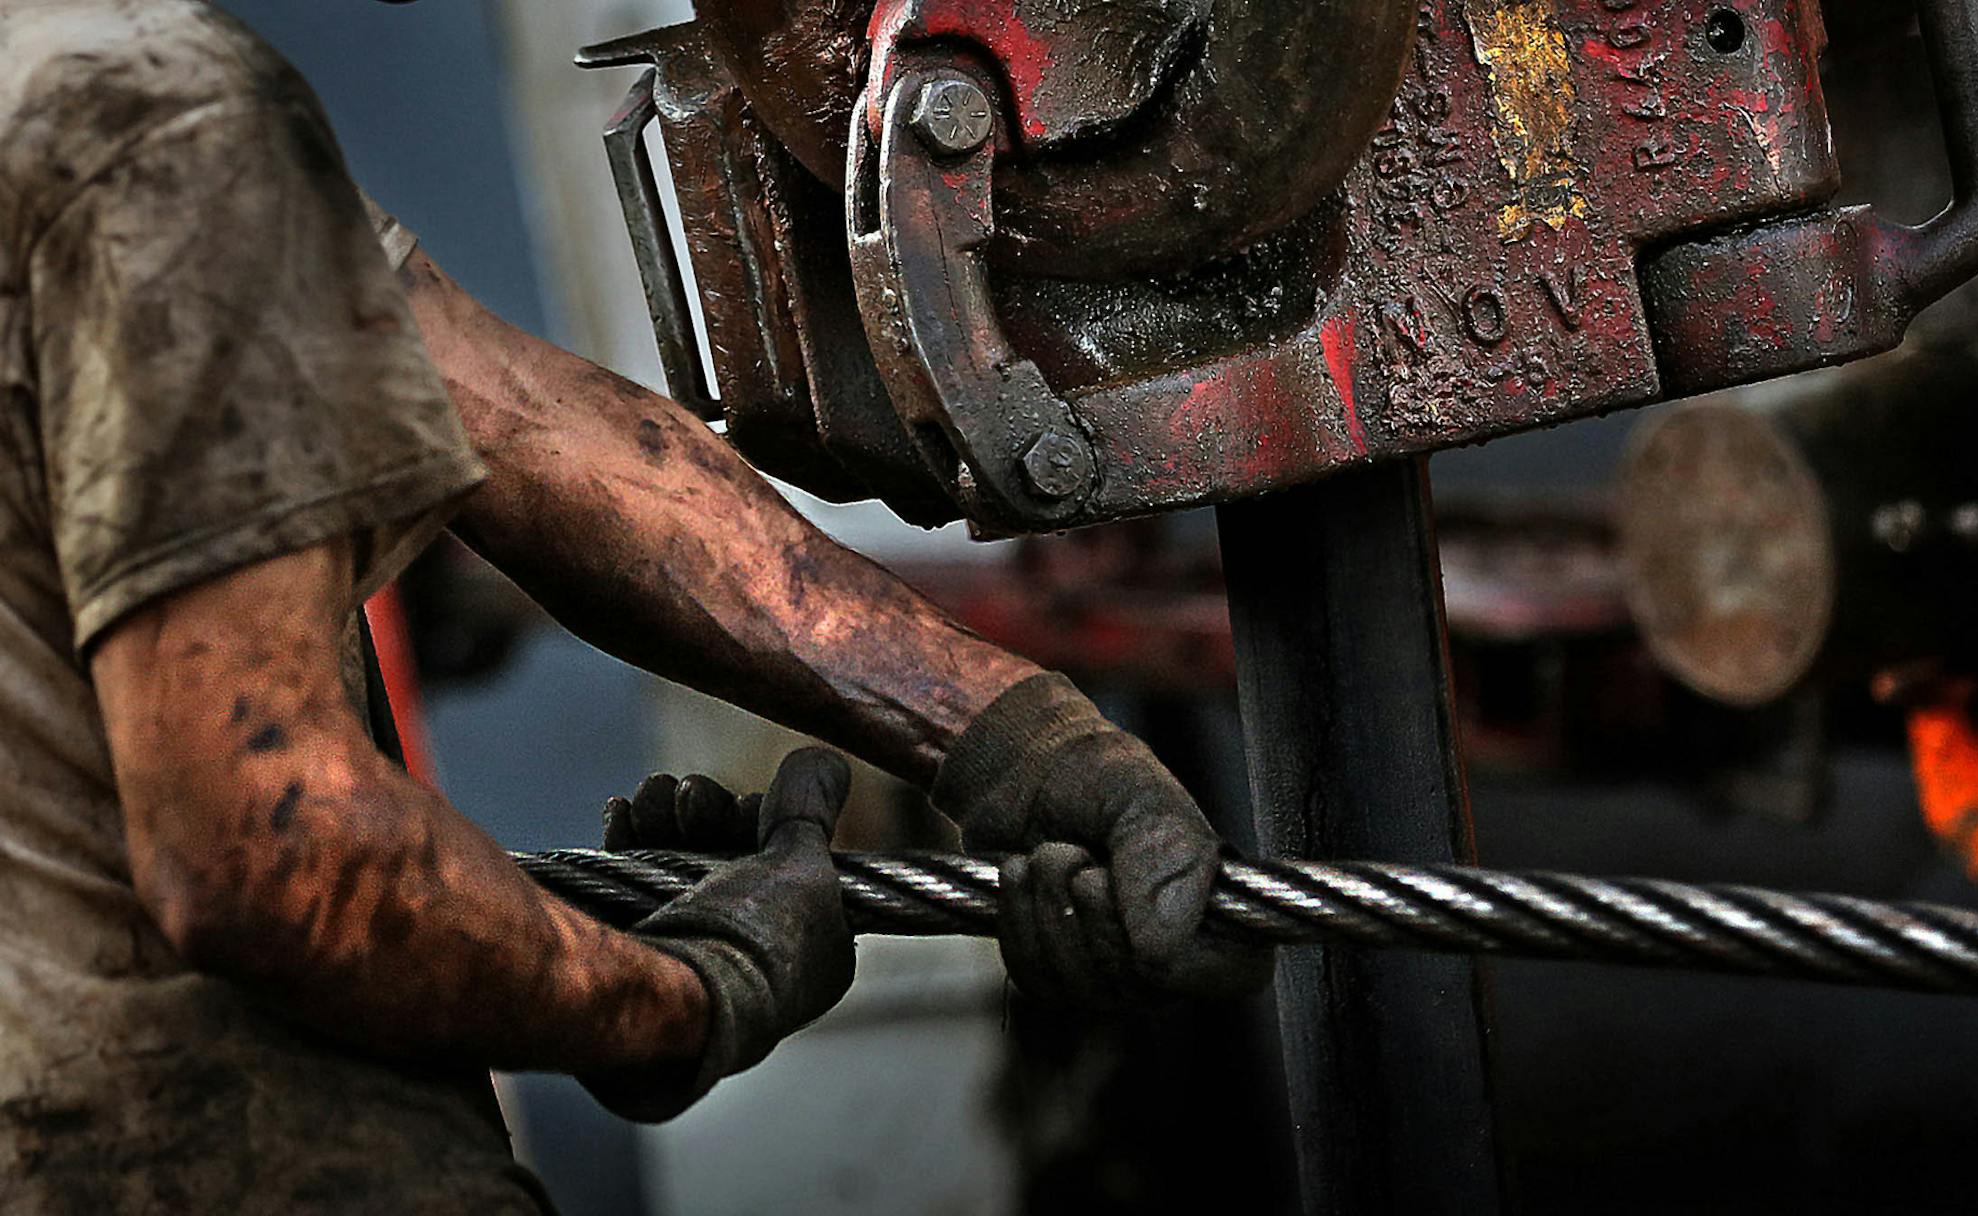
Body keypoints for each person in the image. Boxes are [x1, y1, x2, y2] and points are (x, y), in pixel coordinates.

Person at [0, 1, 1263, 1210]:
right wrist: (676, 996)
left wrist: (1015, 736)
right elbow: (265, 855)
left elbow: (523, 426)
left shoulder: (76, 107)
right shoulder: (148, 120)